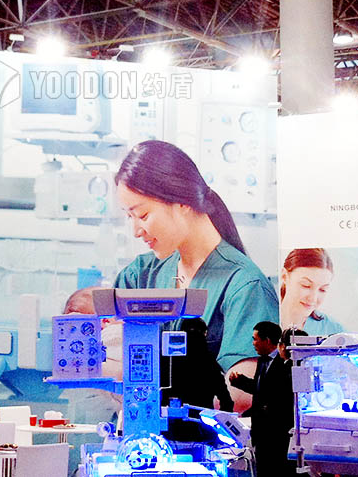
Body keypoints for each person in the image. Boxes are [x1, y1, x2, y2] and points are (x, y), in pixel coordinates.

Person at [113, 141, 280, 383]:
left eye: (142, 215)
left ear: (182, 203)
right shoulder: (139, 276)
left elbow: (241, 392)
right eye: (130, 217)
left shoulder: (245, 287)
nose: (136, 231)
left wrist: (158, 389)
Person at [228, 321, 291, 477]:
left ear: (267, 340)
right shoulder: (262, 361)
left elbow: (276, 394)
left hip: (276, 432)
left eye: (255, 339)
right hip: (260, 431)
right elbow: (261, 390)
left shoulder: (285, 364)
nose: (253, 343)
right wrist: (239, 382)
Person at [278, 249, 343, 336]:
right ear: (284, 276)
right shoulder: (265, 315)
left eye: (322, 289)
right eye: (306, 285)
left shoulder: (335, 332)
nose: (313, 298)